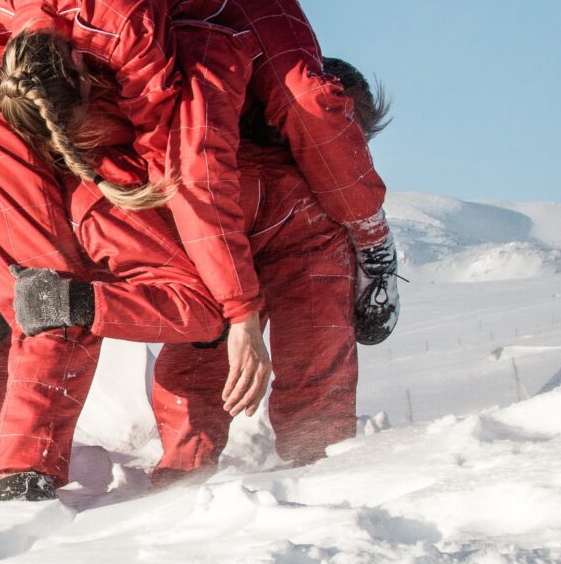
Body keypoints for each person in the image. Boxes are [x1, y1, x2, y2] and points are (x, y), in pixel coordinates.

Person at [0, 0, 402, 400]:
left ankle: (372, 237)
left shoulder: (132, 39)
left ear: (85, 73)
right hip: (147, 41)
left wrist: (239, 312)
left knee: (308, 107)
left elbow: (189, 169)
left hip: (238, 0)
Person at [0, 24, 249, 499]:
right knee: (48, 307)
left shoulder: (92, 185)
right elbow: (205, 313)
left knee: (0, 333)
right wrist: (84, 303)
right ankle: (20, 476)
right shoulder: (98, 206)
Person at [150, 57, 395, 485]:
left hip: (227, 198)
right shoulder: (321, 113)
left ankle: (187, 460)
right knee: (314, 336)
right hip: (291, 211)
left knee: (210, 336)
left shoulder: (256, 79)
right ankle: (319, 454)